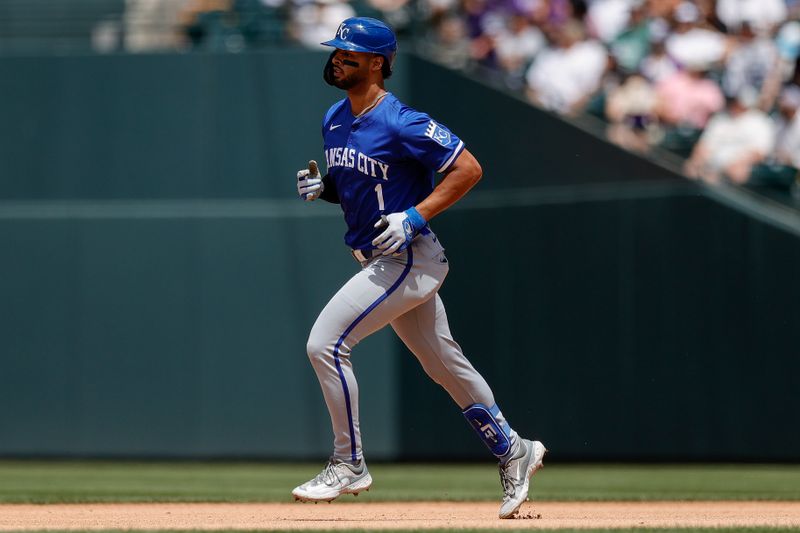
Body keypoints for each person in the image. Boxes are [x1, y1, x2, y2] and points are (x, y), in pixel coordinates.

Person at [291, 17, 546, 519]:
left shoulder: (401, 120)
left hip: (406, 257)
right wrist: (327, 190)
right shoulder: (334, 118)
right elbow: (360, 188)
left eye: (349, 52)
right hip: (380, 255)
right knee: (444, 365)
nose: (338, 57)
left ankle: (349, 464)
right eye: (337, 50)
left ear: (378, 63)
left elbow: (468, 167)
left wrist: (416, 214)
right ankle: (513, 449)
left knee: (325, 343)